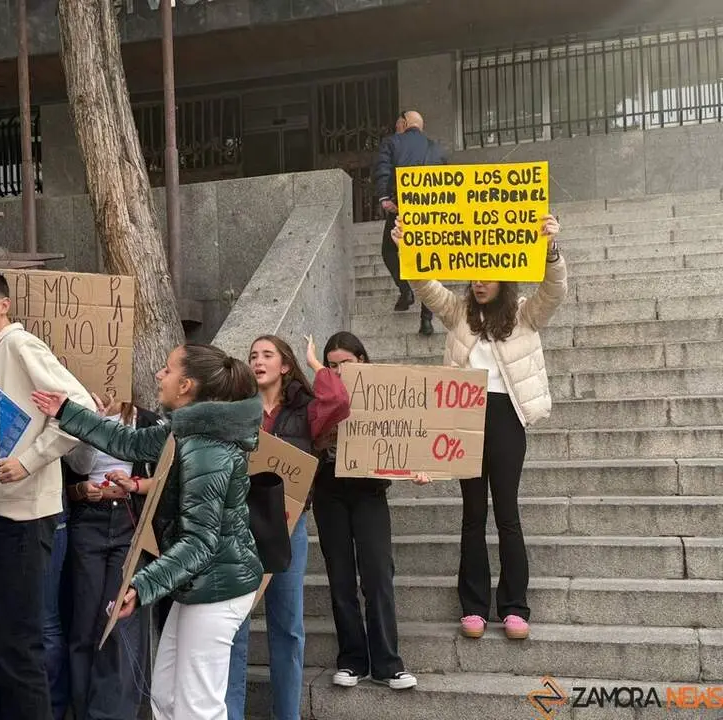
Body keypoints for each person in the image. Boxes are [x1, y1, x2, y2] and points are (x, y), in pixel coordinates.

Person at [31, 343, 264, 720]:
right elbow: (129, 442)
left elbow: (200, 543)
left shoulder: (207, 449)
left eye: (168, 369)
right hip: (200, 583)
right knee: (168, 700)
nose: (158, 375)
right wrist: (66, 411)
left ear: (186, 385)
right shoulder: (185, 429)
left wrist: (142, 587)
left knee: (196, 706)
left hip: (218, 586)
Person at [392, 214, 566, 640]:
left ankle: (514, 606)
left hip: (507, 417)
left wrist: (551, 250)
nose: (478, 284)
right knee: (473, 514)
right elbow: (427, 288)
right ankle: (473, 606)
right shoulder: (458, 313)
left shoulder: (525, 315)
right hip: (464, 418)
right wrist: (407, 250)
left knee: (507, 512)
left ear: (505, 280)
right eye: (473, 278)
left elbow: (554, 289)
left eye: (487, 278)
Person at [0, 268, 97, 720]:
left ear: (3, 304)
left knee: (18, 646)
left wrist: (29, 460)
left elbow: (82, 409)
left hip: (25, 519)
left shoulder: (19, 345)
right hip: (0, 516)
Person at [226, 335, 350, 720]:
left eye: (267, 355)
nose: (258, 361)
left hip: (289, 527)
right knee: (235, 627)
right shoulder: (238, 410)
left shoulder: (305, 411)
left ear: (284, 366)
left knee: (288, 626)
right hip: (241, 527)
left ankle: (287, 715)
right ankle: (230, 713)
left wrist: (318, 365)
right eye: (252, 356)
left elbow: (339, 402)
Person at [312, 331, 422, 690]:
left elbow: (407, 436)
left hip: (370, 492)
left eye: (346, 362)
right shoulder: (321, 394)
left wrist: (419, 467)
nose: (339, 370)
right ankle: (352, 660)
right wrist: (320, 373)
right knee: (341, 579)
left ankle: (388, 663)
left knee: (377, 576)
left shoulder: (383, 393)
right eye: (332, 365)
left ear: (362, 361)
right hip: (330, 493)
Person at [61, 392, 162, 720]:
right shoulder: (77, 415)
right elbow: (77, 468)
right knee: (84, 621)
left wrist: (132, 485)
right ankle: (82, 708)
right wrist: (92, 422)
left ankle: (115, 712)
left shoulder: (144, 421)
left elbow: (163, 475)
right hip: (87, 518)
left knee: (118, 620)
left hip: (127, 520)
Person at [373, 110, 447, 333]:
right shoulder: (437, 149)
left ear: (404, 123)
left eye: (398, 123)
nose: (397, 127)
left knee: (389, 251)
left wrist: (385, 199)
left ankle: (405, 290)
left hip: (401, 210)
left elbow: (383, 169)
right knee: (428, 262)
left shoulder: (393, 142)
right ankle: (426, 319)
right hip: (429, 213)